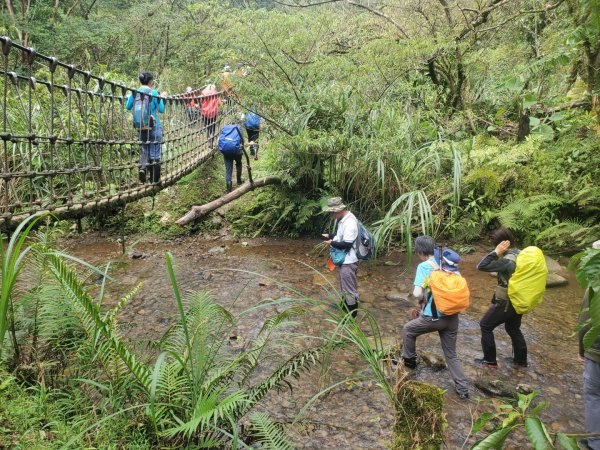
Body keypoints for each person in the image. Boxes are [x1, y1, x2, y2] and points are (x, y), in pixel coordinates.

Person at [401, 236, 470, 400]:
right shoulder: (449, 265)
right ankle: (463, 390)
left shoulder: (424, 266)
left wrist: (420, 298)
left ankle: (409, 363)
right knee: (451, 355)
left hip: (433, 318)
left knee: (408, 330)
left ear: (420, 252)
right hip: (452, 317)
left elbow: (418, 293)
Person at [475, 228, 526, 368]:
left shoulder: (507, 261)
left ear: (500, 243)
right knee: (513, 328)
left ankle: (490, 361)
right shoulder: (520, 254)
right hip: (519, 299)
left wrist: (495, 252)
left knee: (485, 325)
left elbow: (480, 266)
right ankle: (521, 362)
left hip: (506, 301)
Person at [322, 197, 360, 318]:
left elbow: (346, 244)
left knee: (349, 290)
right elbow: (341, 236)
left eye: (331, 213)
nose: (330, 215)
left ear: (339, 210)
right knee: (345, 287)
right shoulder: (344, 219)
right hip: (346, 260)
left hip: (349, 261)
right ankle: (344, 308)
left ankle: (352, 316)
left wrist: (331, 243)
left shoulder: (350, 222)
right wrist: (330, 235)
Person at [578, 240, 600, 450]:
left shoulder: (595, 287)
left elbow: (586, 322)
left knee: (594, 395)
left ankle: (594, 442)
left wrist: (582, 350)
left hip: (597, 351)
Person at [126, 72, 165, 183]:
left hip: (141, 127)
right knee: (155, 153)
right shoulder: (153, 93)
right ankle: (155, 181)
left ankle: (143, 168)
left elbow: (128, 107)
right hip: (154, 126)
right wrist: (160, 97)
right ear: (150, 81)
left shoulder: (134, 93)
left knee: (145, 151)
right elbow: (161, 110)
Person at [218, 122, 244, 193]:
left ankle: (228, 188)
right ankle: (239, 180)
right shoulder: (239, 128)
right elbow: (242, 140)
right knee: (239, 163)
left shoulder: (225, 128)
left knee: (228, 169)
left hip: (226, 150)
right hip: (236, 151)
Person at [200, 84, 222, 149]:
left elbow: (201, 100)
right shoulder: (215, 94)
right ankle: (211, 140)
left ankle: (208, 137)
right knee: (212, 126)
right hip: (213, 113)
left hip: (205, 113)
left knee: (207, 126)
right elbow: (220, 103)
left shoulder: (203, 93)